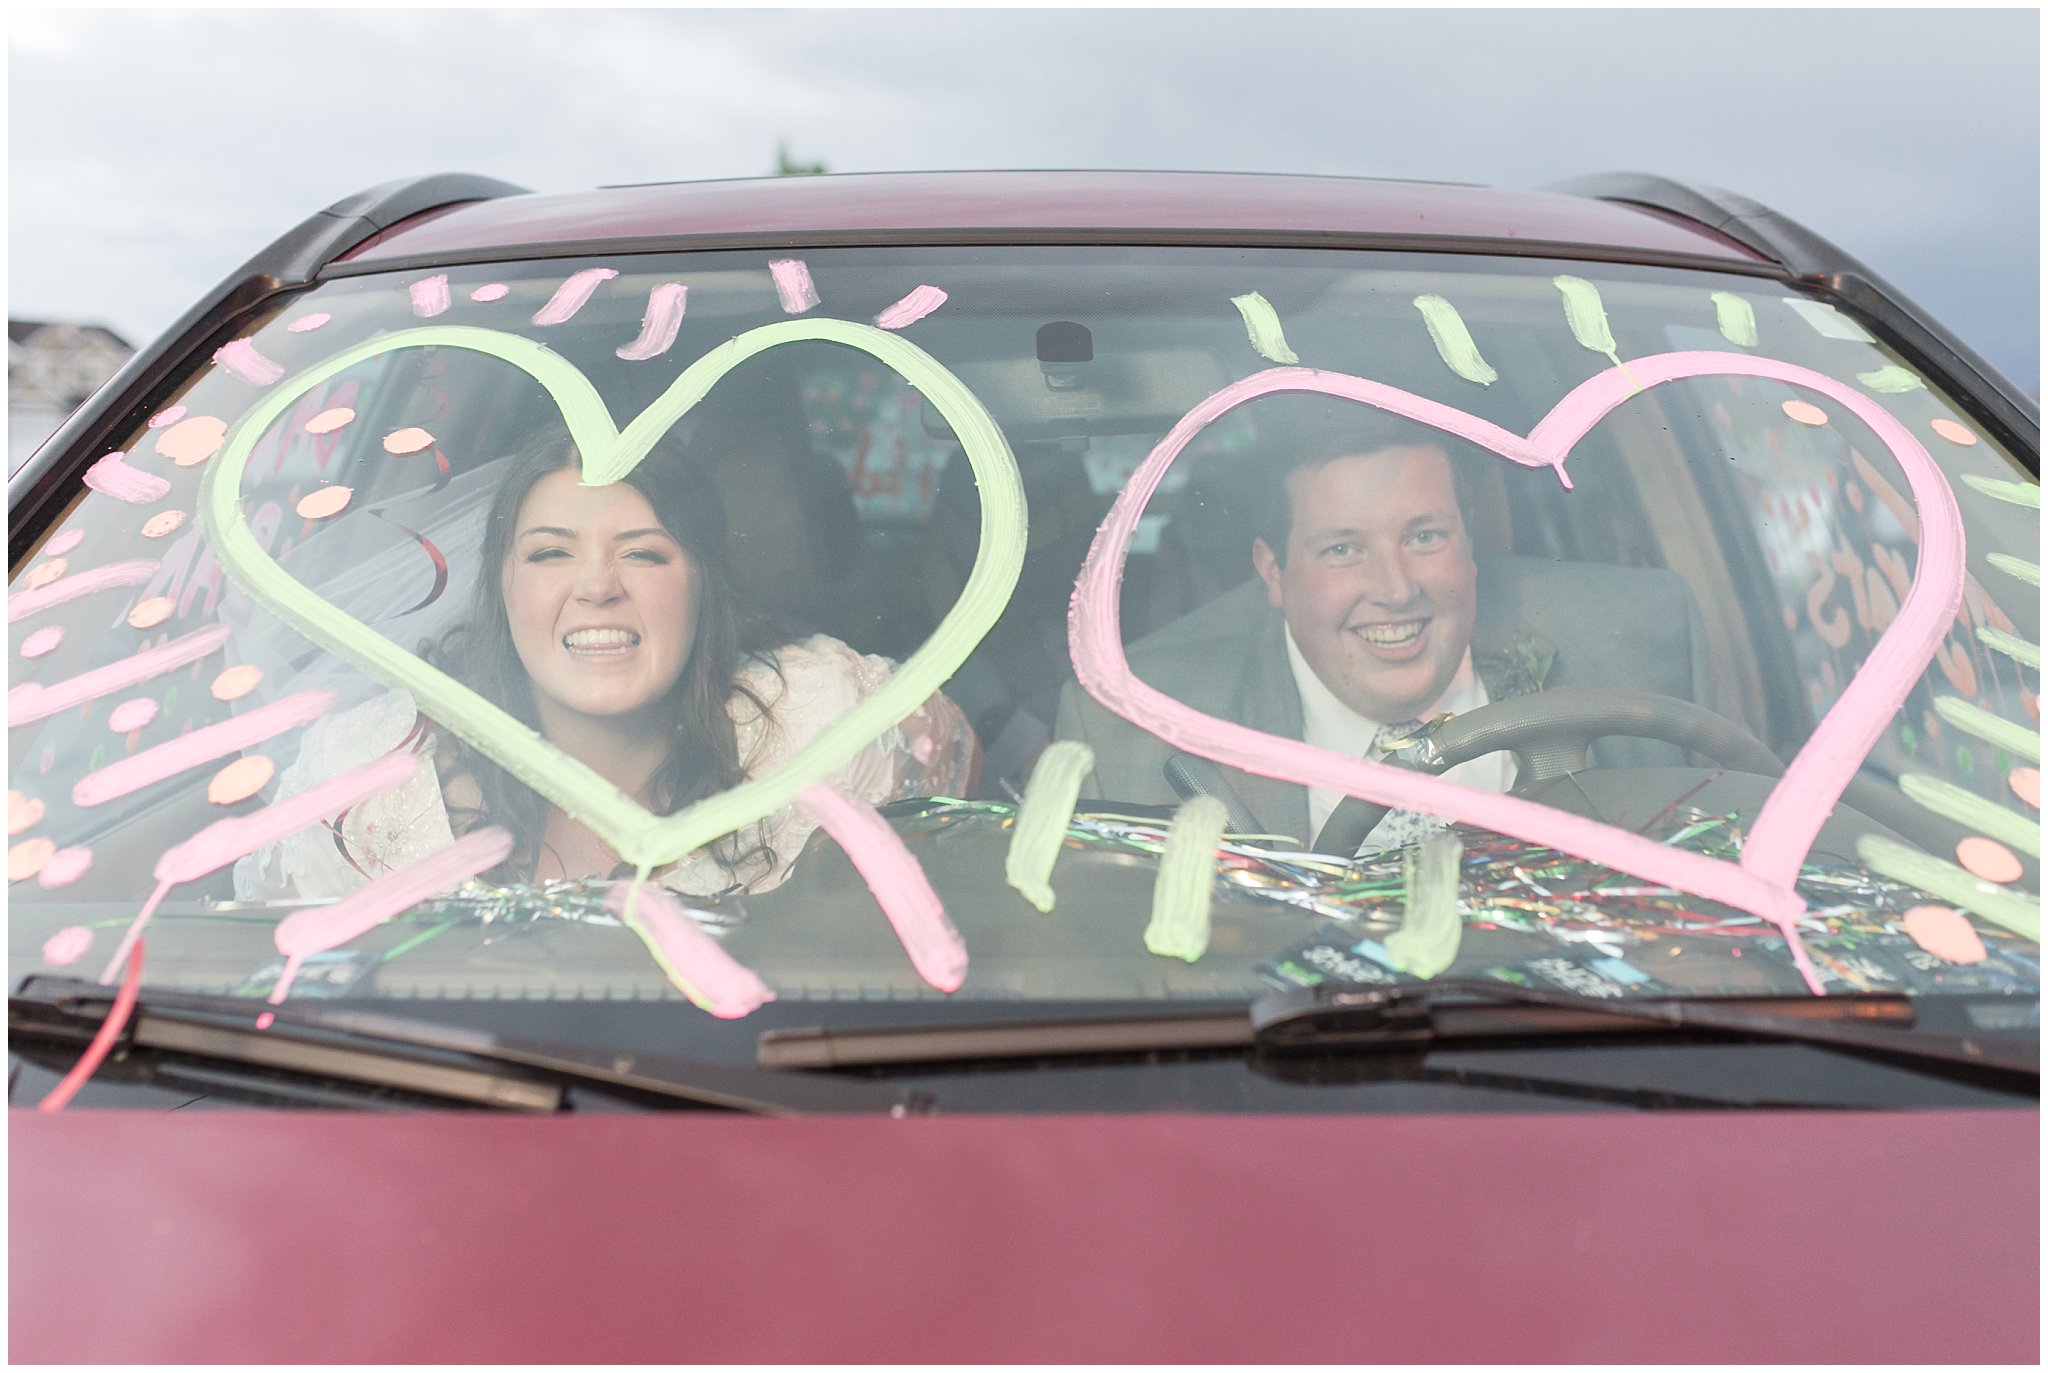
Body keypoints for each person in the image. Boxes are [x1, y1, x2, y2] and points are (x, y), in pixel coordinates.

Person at [236, 433, 976, 900]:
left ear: (702, 585)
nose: (596, 586)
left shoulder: (825, 725)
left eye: (644, 552)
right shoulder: (367, 785)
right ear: (501, 586)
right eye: (551, 553)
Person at [1054, 400, 1724, 849]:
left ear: (1470, 543)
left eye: (1426, 536)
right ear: (1274, 571)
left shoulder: (1643, 636)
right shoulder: (1128, 722)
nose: (1396, 588)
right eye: (1342, 549)